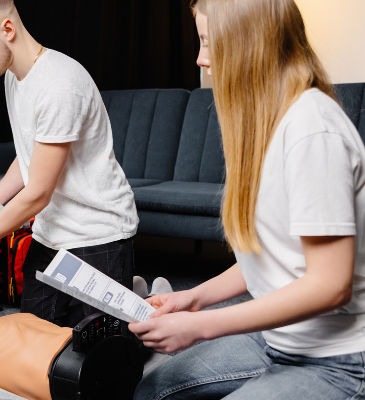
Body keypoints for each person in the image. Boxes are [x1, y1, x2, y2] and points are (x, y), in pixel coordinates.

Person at [130, 0, 365, 399]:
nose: (200, 59)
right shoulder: (264, 125)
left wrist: (200, 327)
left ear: (248, 45)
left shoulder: (313, 130)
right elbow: (270, 257)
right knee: (153, 390)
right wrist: (192, 298)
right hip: (275, 340)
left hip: (341, 360)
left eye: (208, 42)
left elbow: (330, 285)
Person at [0, 0, 139, 328]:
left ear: (7, 29)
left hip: (98, 236)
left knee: (96, 362)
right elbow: (28, 158)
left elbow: (37, 193)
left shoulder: (58, 84)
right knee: (34, 348)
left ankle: (141, 302)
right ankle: (131, 302)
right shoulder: (14, 76)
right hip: (49, 236)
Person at [0, 281, 173, 400]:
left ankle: (139, 313)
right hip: (72, 377)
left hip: (84, 346)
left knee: (28, 323)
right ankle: (143, 313)